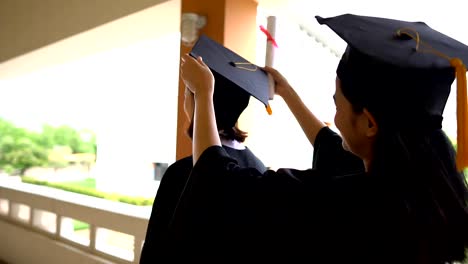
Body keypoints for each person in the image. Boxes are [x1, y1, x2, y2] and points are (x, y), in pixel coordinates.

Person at [174, 13, 468, 263]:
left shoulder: (345, 208)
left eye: (338, 105)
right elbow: (335, 152)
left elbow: (218, 183)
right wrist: (287, 93)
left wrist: (203, 95)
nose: (335, 118)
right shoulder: (421, 193)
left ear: (369, 123)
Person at [139, 36, 267, 263]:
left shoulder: (183, 173)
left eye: (188, 92)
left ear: (197, 99)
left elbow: (156, 253)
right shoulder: (259, 168)